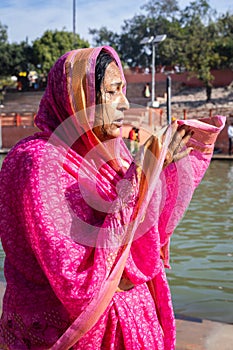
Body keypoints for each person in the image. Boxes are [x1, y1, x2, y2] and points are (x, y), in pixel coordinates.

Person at [0, 46, 225, 350]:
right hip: (70, 335)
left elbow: (140, 237)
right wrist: (141, 173)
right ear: (78, 98)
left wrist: (158, 168)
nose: (124, 103)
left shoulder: (107, 158)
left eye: (124, 91)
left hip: (130, 326)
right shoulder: (37, 161)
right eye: (112, 91)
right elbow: (76, 281)